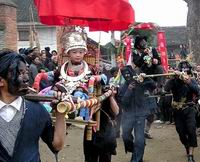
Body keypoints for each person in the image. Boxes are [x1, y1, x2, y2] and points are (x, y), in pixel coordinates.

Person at [0, 49, 66, 162]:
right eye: (19, 73)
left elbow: (57, 145)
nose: (26, 79)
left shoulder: (36, 110)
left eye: (26, 72)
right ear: (1, 81)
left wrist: (60, 114)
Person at [118, 65, 156, 162]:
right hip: (127, 116)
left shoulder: (141, 82)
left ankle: (136, 159)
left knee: (139, 140)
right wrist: (129, 90)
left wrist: (146, 77)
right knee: (126, 136)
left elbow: (153, 86)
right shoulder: (123, 88)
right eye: (124, 75)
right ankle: (136, 151)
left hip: (140, 115)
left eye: (128, 74)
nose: (127, 76)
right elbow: (123, 103)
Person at [164, 61, 199, 162]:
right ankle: (187, 146)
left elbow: (197, 91)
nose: (184, 73)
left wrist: (188, 81)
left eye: (186, 72)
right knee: (181, 132)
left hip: (189, 109)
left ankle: (191, 156)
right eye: (182, 71)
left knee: (192, 130)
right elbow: (166, 89)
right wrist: (172, 77)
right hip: (177, 110)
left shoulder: (191, 80)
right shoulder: (174, 80)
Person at [84, 86, 119, 162]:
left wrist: (111, 97)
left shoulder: (108, 96)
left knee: (105, 157)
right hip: (92, 130)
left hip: (106, 130)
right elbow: (87, 114)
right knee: (91, 157)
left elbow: (116, 112)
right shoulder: (89, 94)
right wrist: (95, 103)